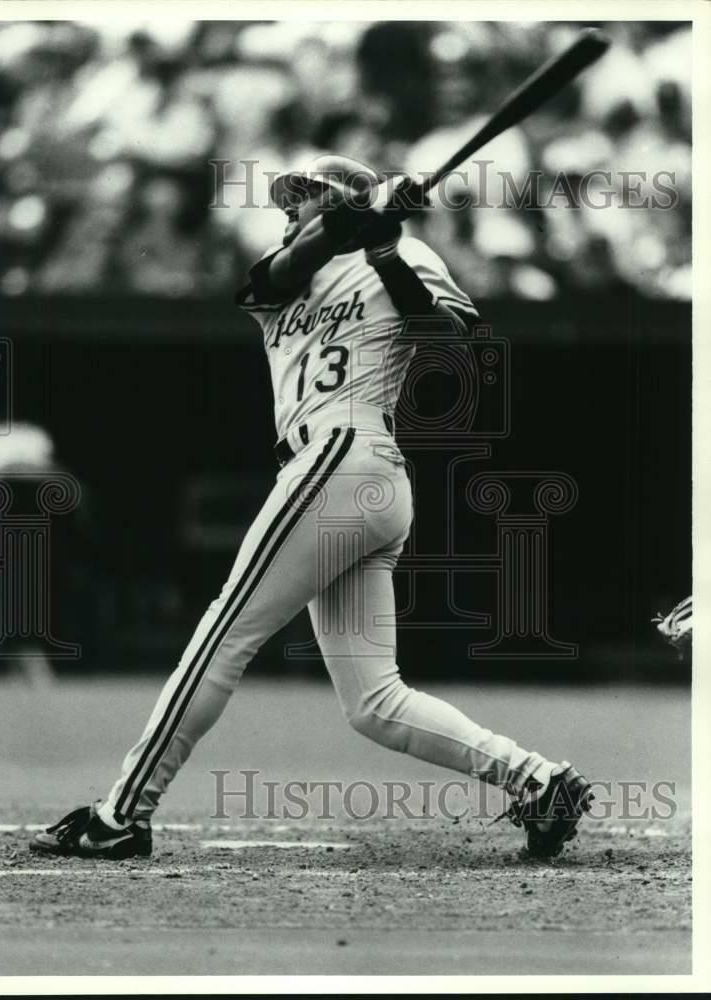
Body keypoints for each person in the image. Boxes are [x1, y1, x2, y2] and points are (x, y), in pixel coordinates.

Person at [31, 154, 593, 862]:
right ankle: (540, 781)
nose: (287, 209)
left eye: (303, 198)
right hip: (341, 475)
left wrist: (385, 249)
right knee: (375, 704)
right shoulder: (283, 268)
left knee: (221, 635)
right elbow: (277, 273)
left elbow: (459, 342)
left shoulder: (409, 255)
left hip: (347, 457)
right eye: (290, 200)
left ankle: (121, 814)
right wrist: (343, 226)